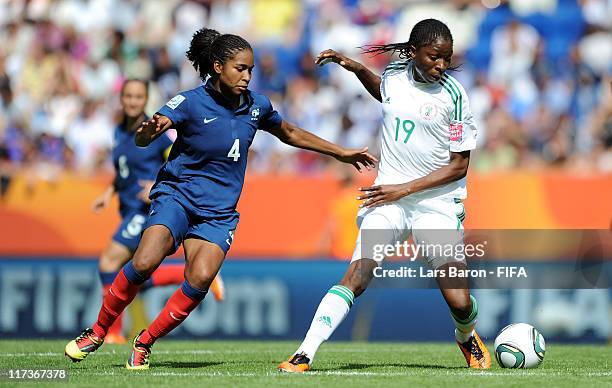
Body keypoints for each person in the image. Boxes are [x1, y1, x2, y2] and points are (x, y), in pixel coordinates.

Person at [65, 28, 377, 370]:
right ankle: (97, 331)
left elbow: (289, 132)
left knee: (199, 279)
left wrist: (340, 152)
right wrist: (147, 131)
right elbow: (146, 137)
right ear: (217, 66)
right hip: (177, 196)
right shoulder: (189, 102)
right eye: (240, 68)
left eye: (250, 70)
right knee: (143, 262)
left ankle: (145, 342)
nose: (246, 76)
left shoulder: (257, 106)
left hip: (218, 213)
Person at [278, 19, 491, 372]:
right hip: (387, 200)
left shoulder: (454, 97)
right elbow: (386, 92)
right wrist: (356, 67)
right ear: (413, 52)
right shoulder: (394, 74)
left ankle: (466, 335)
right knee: (357, 276)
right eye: (433, 57)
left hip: (435, 203)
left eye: (446, 58)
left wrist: (404, 188)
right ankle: (304, 354)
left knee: (459, 299)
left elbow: (458, 167)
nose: (441, 65)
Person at [91, 79, 226, 344]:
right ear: (121, 98)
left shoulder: (155, 134)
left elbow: (180, 162)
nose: (132, 101)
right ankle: (189, 275)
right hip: (127, 207)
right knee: (134, 273)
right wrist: (108, 193)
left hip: (147, 209)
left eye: (138, 97)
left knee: (110, 262)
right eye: (128, 96)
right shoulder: (120, 131)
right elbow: (123, 171)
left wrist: (156, 184)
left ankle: (113, 333)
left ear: (146, 100)